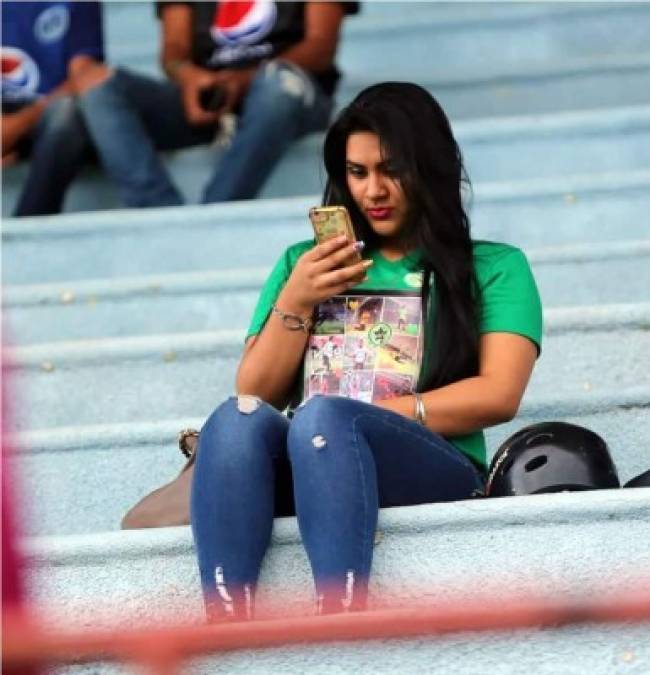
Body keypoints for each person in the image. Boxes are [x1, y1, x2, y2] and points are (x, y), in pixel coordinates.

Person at [190, 82, 543, 621]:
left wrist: (361, 417)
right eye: (357, 173)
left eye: (391, 170)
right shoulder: (303, 264)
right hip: (314, 457)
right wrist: (298, 297)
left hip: (430, 462)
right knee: (234, 420)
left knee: (324, 417)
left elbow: (499, 393)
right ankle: (224, 623)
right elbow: (254, 392)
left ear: (431, 168)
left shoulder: (495, 267)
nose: (373, 190)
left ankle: (343, 615)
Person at [76, 1, 358, 208]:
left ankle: (215, 210)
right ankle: (158, 211)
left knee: (276, 86)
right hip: (212, 97)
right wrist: (189, 78)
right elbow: (173, 51)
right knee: (101, 86)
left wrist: (245, 80)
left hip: (289, 93)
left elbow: (321, 47)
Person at [1, 1, 104, 216]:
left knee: (65, 115)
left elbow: (84, 77)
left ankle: (26, 232)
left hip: (50, 117)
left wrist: (16, 126)